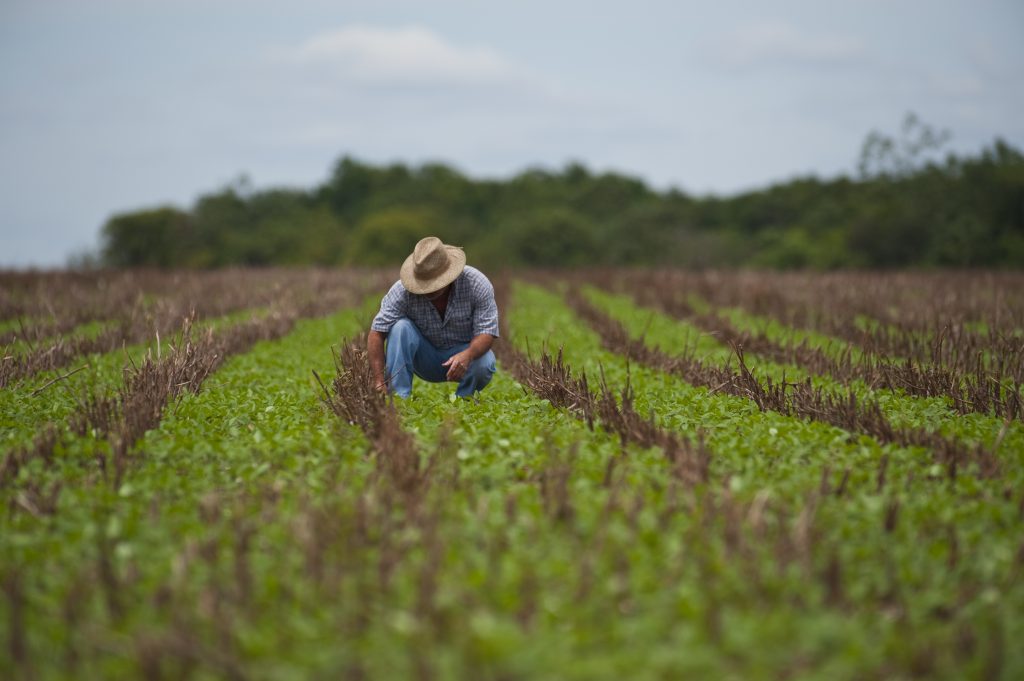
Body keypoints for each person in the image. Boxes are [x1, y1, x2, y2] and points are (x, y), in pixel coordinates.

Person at [368, 236, 498, 398]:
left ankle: (465, 401)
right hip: (425, 358)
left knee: (484, 362)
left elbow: (487, 331)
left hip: (464, 354)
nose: (429, 289)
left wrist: (468, 354)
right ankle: (398, 398)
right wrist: (379, 381)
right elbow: (376, 332)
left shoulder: (476, 283)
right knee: (400, 328)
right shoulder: (401, 291)